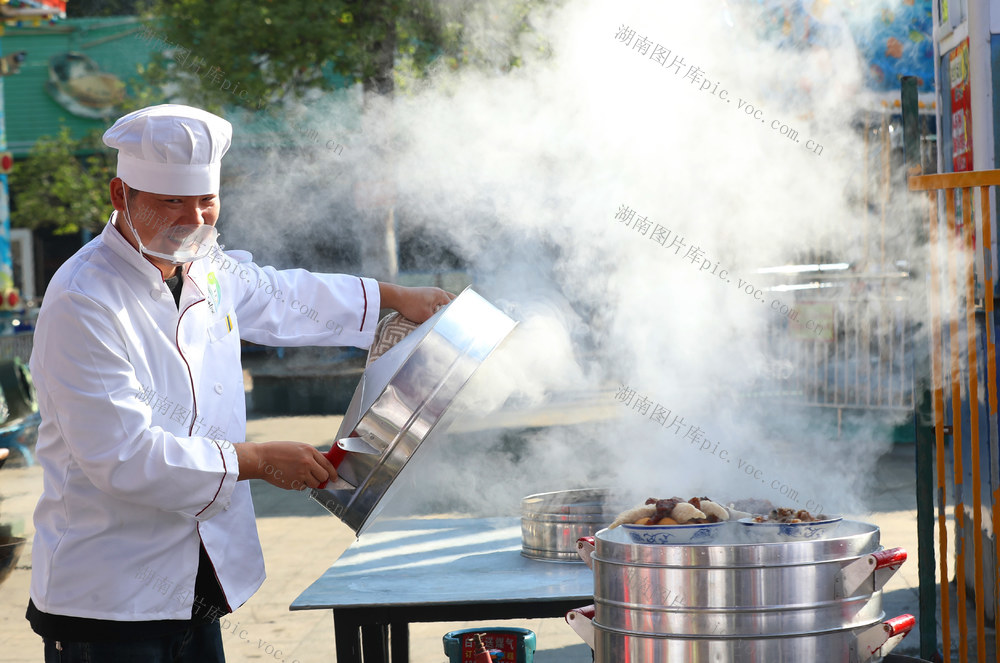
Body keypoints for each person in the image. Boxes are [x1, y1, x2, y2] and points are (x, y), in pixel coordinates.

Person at [25, 104, 454, 662]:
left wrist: (396, 299)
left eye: (206, 201)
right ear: (119, 195)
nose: (194, 218)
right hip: (109, 599)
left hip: (197, 583)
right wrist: (256, 461)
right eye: (170, 201)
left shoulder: (202, 264)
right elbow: (123, 458)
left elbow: (283, 296)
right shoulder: (84, 299)